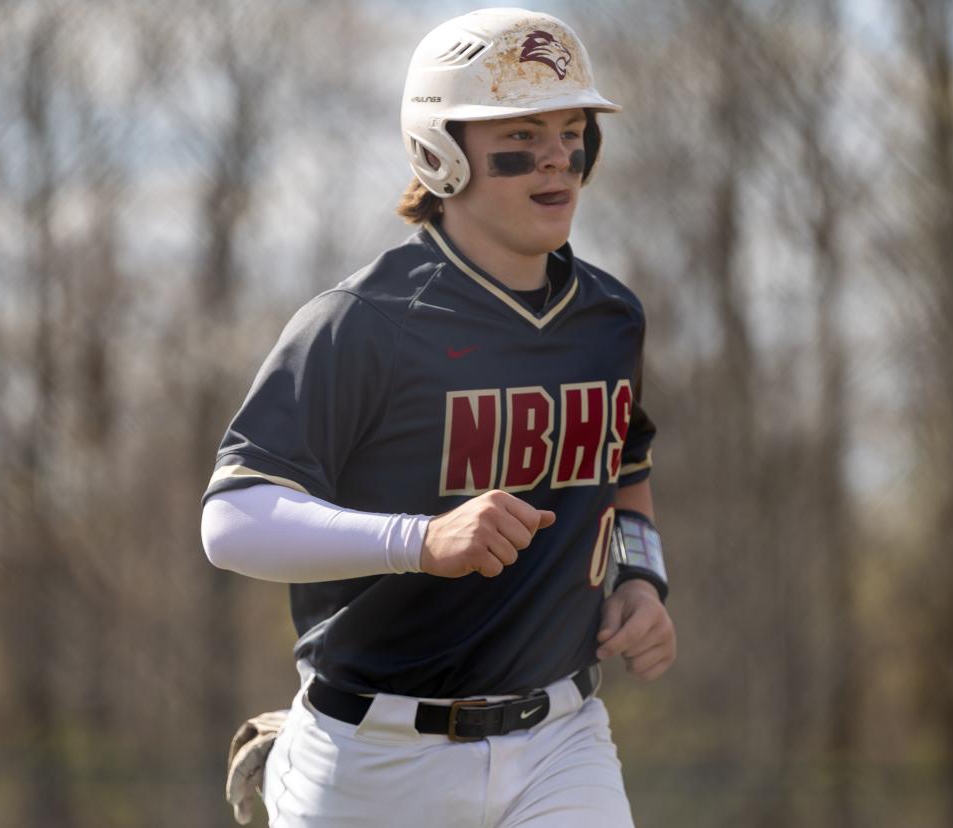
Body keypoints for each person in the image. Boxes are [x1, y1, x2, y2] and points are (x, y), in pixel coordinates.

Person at [200, 8, 675, 827]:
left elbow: (624, 479)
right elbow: (231, 521)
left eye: (573, 130)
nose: (558, 156)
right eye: (521, 135)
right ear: (440, 151)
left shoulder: (611, 319)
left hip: (562, 739)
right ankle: (286, 764)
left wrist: (640, 579)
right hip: (374, 752)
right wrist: (420, 541)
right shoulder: (362, 321)